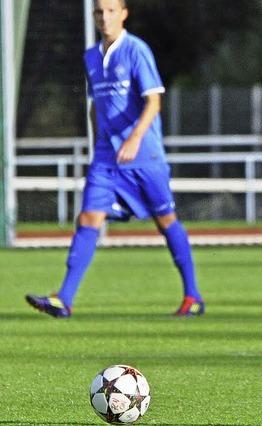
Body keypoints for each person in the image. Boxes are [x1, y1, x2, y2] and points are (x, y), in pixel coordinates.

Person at [25, 0, 205, 318]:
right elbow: (96, 106)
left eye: (111, 11)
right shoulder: (91, 56)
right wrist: (98, 147)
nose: (104, 17)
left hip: (144, 156)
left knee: (165, 221)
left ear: (123, 14)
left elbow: (153, 102)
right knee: (87, 219)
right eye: (99, 12)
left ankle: (193, 296)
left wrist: (134, 139)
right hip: (107, 159)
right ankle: (63, 299)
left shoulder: (136, 50)